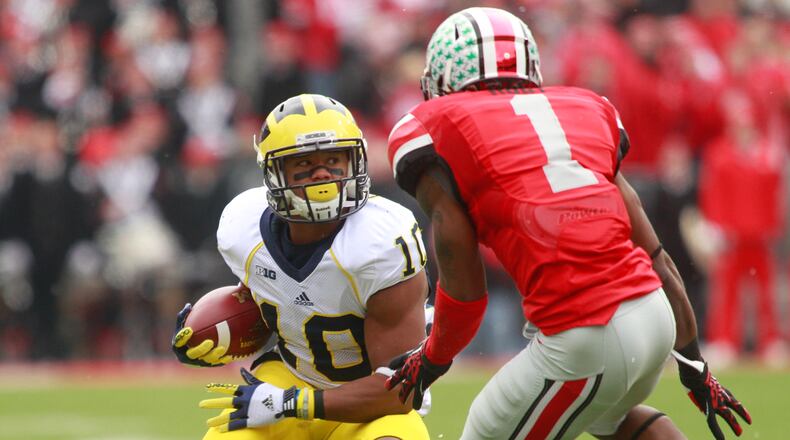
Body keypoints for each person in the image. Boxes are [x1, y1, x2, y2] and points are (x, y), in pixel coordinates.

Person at [384, 7, 751, 440]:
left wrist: (429, 360)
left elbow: (465, 291)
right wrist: (695, 367)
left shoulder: (438, 128)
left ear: (443, 77)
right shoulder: (586, 108)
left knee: (484, 429)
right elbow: (658, 260)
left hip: (584, 331)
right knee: (610, 420)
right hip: (654, 316)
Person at [171, 94, 431, 439]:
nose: (322, 174)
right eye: (304, 163)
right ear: (273, 173)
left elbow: (400, 388)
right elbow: (273, 303)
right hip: (288, 381)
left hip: (370, 406)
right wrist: (218, 336)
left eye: (334, 159)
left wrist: (293, 403)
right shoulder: (244, 227)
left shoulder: (381, 240)